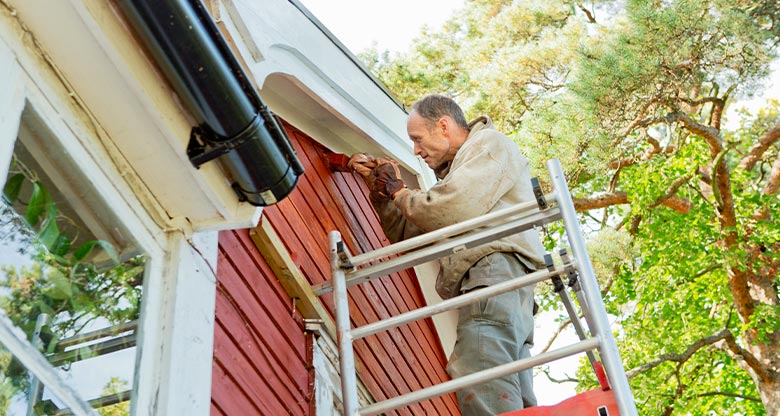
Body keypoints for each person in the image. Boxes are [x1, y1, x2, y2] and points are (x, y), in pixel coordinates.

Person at [348, 94, 546, 415]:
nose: (415, 150)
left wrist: (399, 191)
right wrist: (384, 194)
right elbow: (410, 233)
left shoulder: (488, 146)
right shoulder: (463, 175)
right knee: (511, 394)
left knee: (480, 370)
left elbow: (446, 208)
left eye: (417, 139)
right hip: (510, 289)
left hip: (494, 274)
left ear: (443, 126)